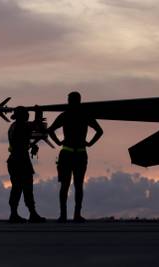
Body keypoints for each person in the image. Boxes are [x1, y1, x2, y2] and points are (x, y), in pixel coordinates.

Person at [48, 91, 103, 222]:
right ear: (79, 100)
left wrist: (58, 142)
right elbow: (99, 131)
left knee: (65, 185)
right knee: (78, 185)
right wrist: (90, 143)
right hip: (80, 153)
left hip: (66, 153)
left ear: (69, 101)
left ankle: (63, 216)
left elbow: (50, 130)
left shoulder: (65, 115)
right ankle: (76, 215)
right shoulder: (85, 115)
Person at [6, 106, 45, 223]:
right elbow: (37, 124)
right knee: (27, 187)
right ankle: (32, 214)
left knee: (16, 188)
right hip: (21, 160)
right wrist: (38, 111)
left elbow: (22, 140)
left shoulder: (13, 126)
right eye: (26, 114)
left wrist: (30, 145)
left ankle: (14, 214)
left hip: (13, 160)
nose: (28, 116)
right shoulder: (23, 126)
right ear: (23, 116)